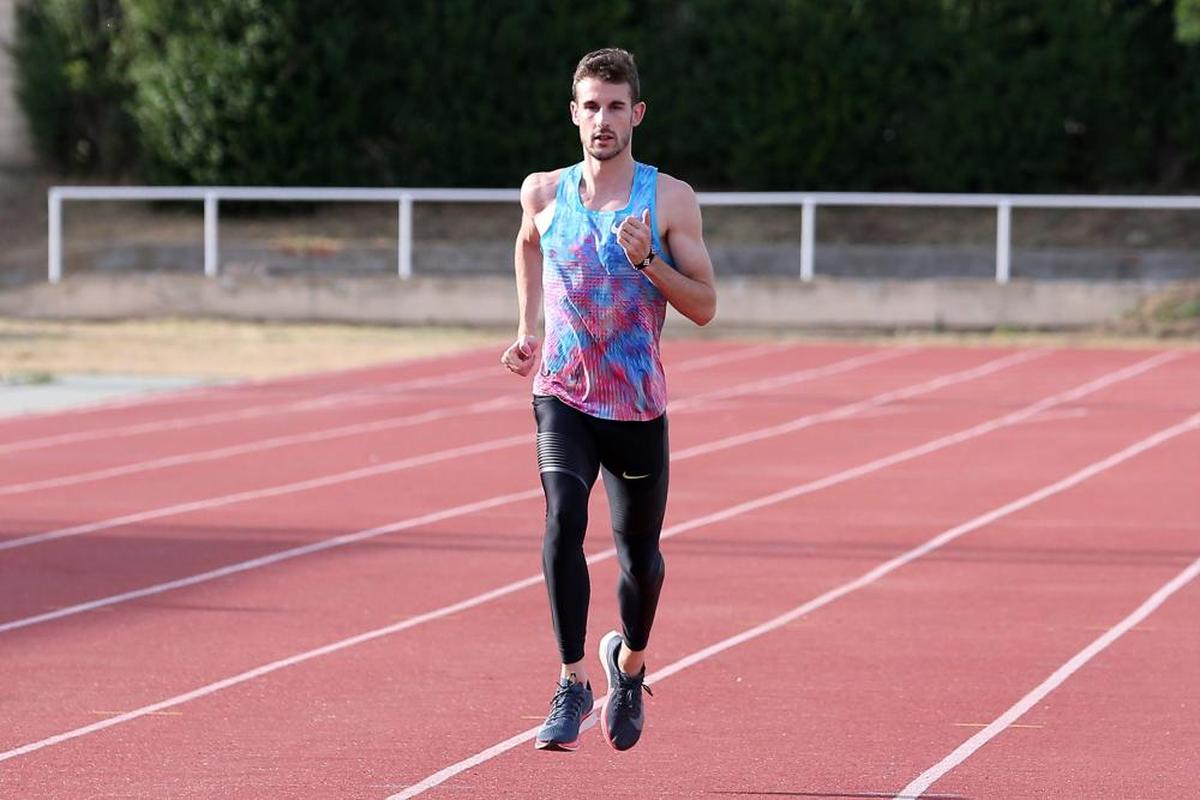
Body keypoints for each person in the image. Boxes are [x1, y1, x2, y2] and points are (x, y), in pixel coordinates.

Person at [501, 47, 717, 753]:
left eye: (616, 106)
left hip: (635, 405)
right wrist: (528, 328)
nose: (603, 119)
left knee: (640, 562)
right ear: (574, 113)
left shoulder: (670, 200)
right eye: (591, 106)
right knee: (563, 520)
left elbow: (707, 305)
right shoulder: (544, 191)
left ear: (637, 114)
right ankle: (570, 682)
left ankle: (628, 665)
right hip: (562, 392)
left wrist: (647, 260)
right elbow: (527, 243)